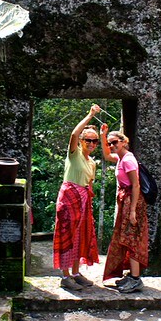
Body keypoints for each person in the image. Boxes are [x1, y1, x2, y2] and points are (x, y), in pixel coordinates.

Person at [52, 104, 102, 291]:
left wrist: (103, 136)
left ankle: (75, 273)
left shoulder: (91, 163)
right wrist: (90, 115)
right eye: (88, 140)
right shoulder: (74, 155)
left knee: (80, 236)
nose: (91, 143)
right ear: (81, 141)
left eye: (94, 141)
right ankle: (65, 276)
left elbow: (89, 184)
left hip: (82, 200)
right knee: (67, 234)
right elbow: (73, 134)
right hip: (69, 199)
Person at [100, 124, 148, 293]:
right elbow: (106, 156)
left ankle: (136, 279)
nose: (111, 146)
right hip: (125, 201)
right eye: (110, 143)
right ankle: (132, 275)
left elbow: (136, 186)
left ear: (123, 142)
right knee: (126, 237)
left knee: (132, 238)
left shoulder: (128, 160)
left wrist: (133, 210)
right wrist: (103, 136)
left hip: (132, 202)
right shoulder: (120, 158)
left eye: (114, 142)